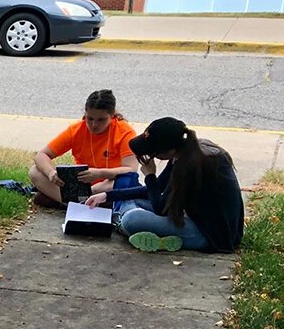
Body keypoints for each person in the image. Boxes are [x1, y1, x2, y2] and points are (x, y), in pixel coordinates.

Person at [87, 116, 244, 253]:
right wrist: (108, 195)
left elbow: (161, 208)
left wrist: (150, 175)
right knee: (131, 201)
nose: (151, 157)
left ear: (168, 151)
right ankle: (122, 218)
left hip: (210, 236)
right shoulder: (185, 152)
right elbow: (158, 189)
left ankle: (122, 220)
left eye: (153, 153)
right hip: (192, 217)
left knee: (132, 219)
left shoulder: (191, 165)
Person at [29, 90, 139, 207]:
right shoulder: (76, 130)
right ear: (85, 113)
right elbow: (41, 155)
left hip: (107, 184)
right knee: (34, 171)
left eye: (101, 120)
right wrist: (51, 173)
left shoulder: (124, 132)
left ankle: (71, 202)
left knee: (119, 183)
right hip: (80, 185)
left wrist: (100, 173)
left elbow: (131, 169)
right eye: (90, 118)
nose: (94, 125)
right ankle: (80, 203)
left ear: (112, 116)